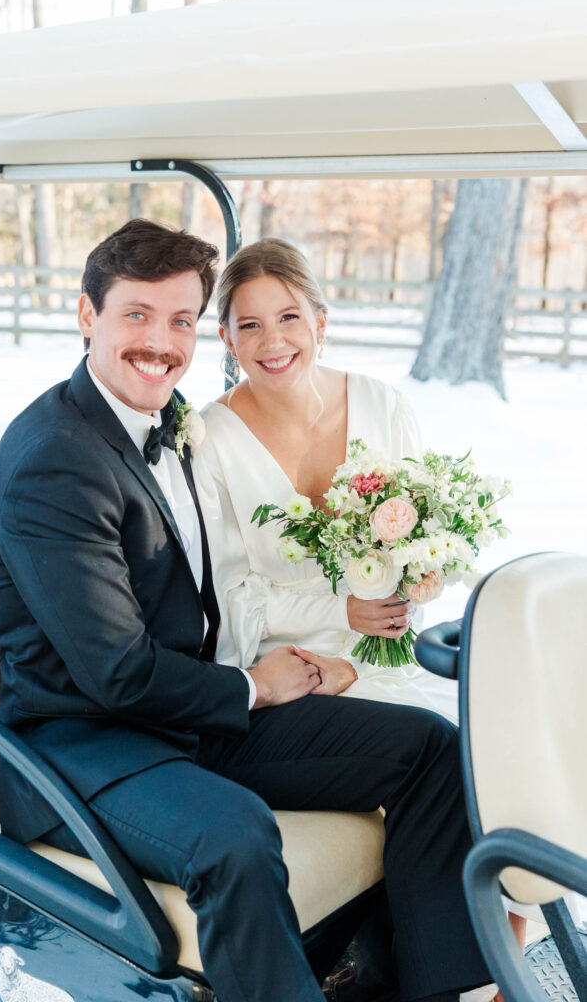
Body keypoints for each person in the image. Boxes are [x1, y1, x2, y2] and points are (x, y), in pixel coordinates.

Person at [0, 219, 491, 1002]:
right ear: (87, 316)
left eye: (180, 320)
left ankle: (439, 990)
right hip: (86, 740)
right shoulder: (55, 461)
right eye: (136, 316)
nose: (160, 341)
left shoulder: (169, 421)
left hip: (187, 708)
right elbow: (115, 673)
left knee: (428, 748)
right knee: (235, 838)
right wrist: (256, 686)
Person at [192, 236, 527, 990]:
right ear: (225, 339)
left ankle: (495, 931)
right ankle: (462, 972)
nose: (271, 342)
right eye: (248, 326)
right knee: (444, 748)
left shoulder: (381, 403)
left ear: (320, 320)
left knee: (506, 729)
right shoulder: (208, 439)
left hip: (385, 648)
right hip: (287, 674)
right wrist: (340, 612)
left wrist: (420, 578)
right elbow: (230, 600)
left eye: (287, 318)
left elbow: (421, 549)